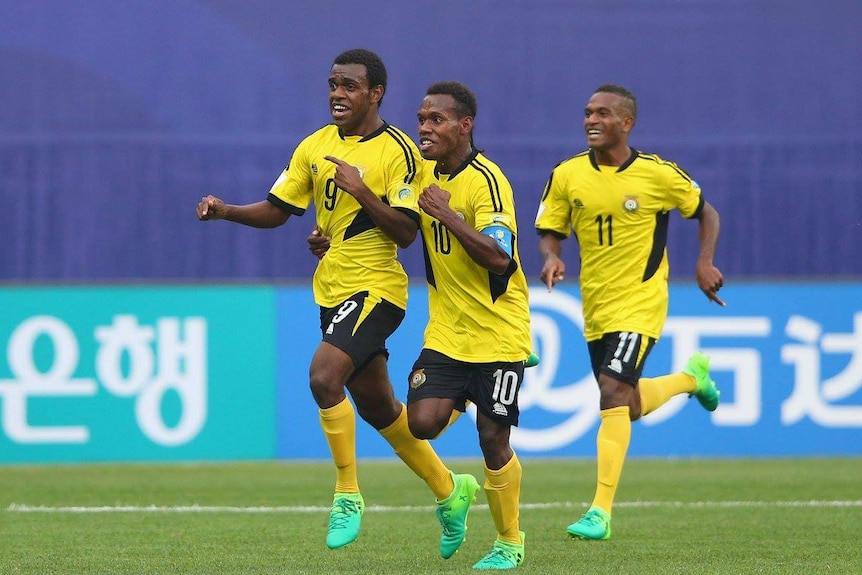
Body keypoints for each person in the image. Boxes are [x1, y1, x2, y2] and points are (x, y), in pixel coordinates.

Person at [196, 48, 477, 555]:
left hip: (378, 291)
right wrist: (227, 211)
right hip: (331, 289)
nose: (337, 94)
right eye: (332, 84)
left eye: (349, 86)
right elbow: (279, 210)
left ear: (376, 94)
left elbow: (407, 232)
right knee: (380, 410)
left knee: (324, 377)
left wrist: (361, 190)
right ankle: (449, 489)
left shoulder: (399, 151)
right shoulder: (314, 145)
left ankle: (348, 494)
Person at [535, 84, 724, 541]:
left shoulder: (658, 175)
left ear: (627, 123)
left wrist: (703, 263)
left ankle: (600, 511)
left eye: (602, 113)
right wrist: (551, 256)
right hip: (595, 306)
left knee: (611, 391)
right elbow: (550, 228)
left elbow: (706, 213)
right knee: (628, 403)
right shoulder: (567, 174)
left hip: (641, 301)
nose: (591, 120)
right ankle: (690, 380)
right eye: (587, 113)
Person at [409, 81, 532, 570]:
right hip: (446, 330)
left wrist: (448, 214)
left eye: (436, 120)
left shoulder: (488, 181)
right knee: (422, 423)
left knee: (491, 437)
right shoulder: (418, 173)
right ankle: (456, 488)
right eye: (421, 119)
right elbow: (396, 220)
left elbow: (499, 258)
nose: (424, 128)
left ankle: (509, 541)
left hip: (498, 331)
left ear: (465, 125)